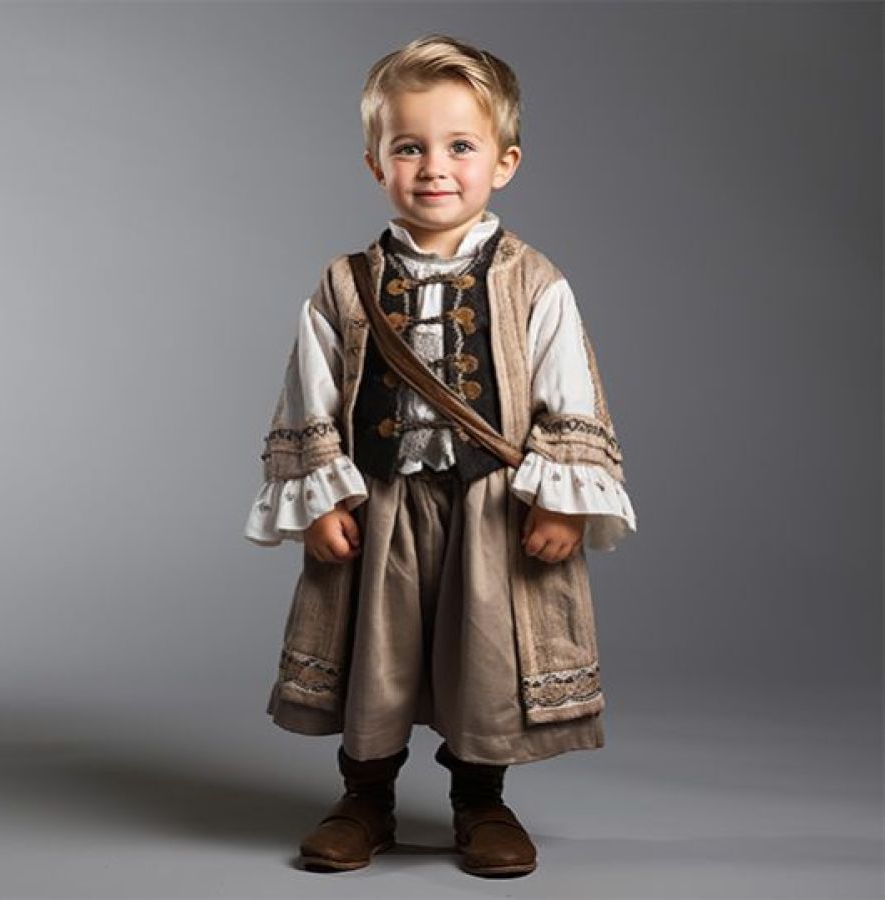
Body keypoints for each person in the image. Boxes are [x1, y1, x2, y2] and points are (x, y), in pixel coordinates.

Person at [244, 33, 637, 878]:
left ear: (505, 162)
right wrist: (322, 497)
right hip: (379, 506)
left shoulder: (535, 281)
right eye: (408, 147)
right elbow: (309, 393)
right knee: (376, 654)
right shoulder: (344, 284)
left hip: (491, 508)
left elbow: (570, 392)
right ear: (375, 163)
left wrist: (562, 499)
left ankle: (481, 801)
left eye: (461, 146)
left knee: (485, 655)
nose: (434, 168)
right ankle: (365, 797)